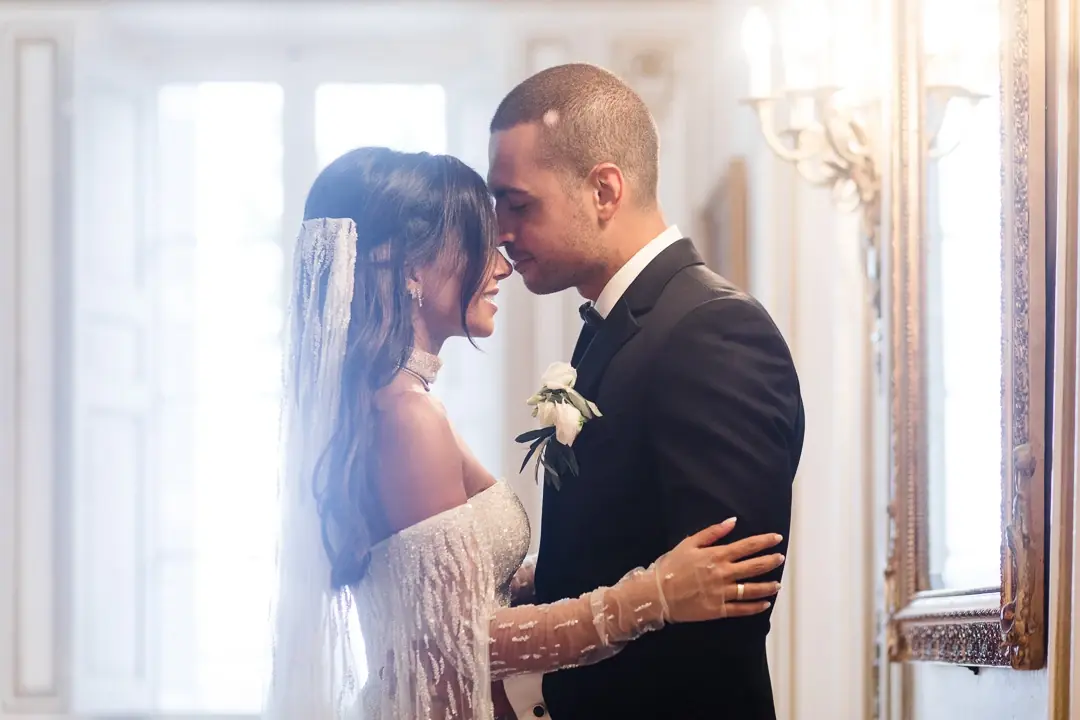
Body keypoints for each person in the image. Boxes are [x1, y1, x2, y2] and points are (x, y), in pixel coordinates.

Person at [263, 146, 786, 720]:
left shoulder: (397, 403)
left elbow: (445, 596)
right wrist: (652, 596)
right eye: (477, 243)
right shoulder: (406, 417)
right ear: (410, 266)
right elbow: (462, 642)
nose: (501, 266)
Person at [488, 64, 804, 719]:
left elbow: (724, 609)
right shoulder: (611, 328)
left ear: (604, 189)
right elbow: (603, 545)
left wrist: (547, 695)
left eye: (517, 204)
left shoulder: (711, 330)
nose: (501, 232)